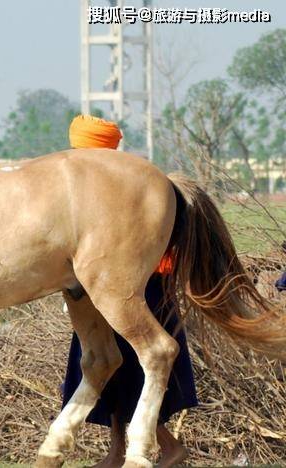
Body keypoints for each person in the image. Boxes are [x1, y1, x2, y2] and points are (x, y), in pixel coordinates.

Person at [63, 115, 198, 468]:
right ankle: (117, 451)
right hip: (105, 291)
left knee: (135, 373)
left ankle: (168, 448)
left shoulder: (132, 186)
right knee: (108, 373)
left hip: (140, 292)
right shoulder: (93, 188)